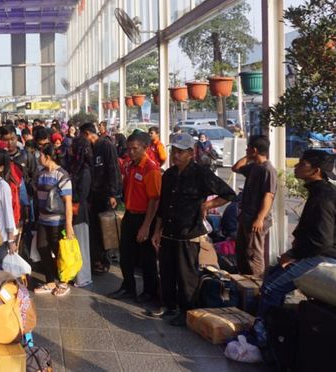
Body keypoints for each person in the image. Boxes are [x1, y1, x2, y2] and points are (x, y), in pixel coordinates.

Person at [150, 133, 235, 326]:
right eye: (174, 151)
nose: (176, 155)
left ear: (191, 153)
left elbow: (228, 194)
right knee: (167, 271)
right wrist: (157, 230)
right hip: (168, 231)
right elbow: (163, 205)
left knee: (186, 275)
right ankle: (169, 306)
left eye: (180, 152)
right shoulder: (170, 174)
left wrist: (207, 205)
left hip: (189, 233)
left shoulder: (201, 174)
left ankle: (187, 311)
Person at [252, 150, 336, 344]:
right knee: (271, 275)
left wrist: (294, 256)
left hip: (323, 255)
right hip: (315, 252)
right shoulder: (319, 191)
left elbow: (321, 240)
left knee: (272, 288)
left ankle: (262, 338)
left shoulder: (323, 198)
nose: (296, 167)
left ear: (315, 170)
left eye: (302, 164)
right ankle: (272, 328)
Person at [110, 132, 161, 303]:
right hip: (130, 215)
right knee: (126, 255)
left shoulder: (151, 169)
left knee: (147, 258)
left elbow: (154, 200)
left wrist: (146, 226)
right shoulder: (132, 166)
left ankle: (150, 291)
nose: (130, 152)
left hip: (145, 218)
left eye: (135, 149)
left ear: (145, 148)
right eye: (129, 148)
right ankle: (128, 287)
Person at [231, 135, 277, 276]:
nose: (246, 149)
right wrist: (249, 157)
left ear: (254, 149)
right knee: (242, 251)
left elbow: (268, 195)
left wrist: (260, 218)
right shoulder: (254, 167)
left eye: (248, 147)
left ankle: (256, 286)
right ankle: (243, 283)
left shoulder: (268, 170)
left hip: (255, 219)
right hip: (245, 216)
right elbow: (236, 167)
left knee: (253, 254)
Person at [33, 143, 74, 297]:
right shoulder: (41, 174)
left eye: (41, 155)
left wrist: (68, 225)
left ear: (47, 157)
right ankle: (50, 281)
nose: (38, 158)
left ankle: (64, 282)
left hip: (58, 221)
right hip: (43, 219)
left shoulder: (62, 175)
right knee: (42, 247)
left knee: (59, 252)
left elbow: (68, 202)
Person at [83, 122, 121, 273]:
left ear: (87, 134)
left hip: (106, 195)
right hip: (95, 195)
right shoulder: (90, 149)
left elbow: (113, 168)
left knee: (105, 229)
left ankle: (104, 261)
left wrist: (113, 193)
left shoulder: (106, 145)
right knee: (96, 229)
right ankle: (97, 259)